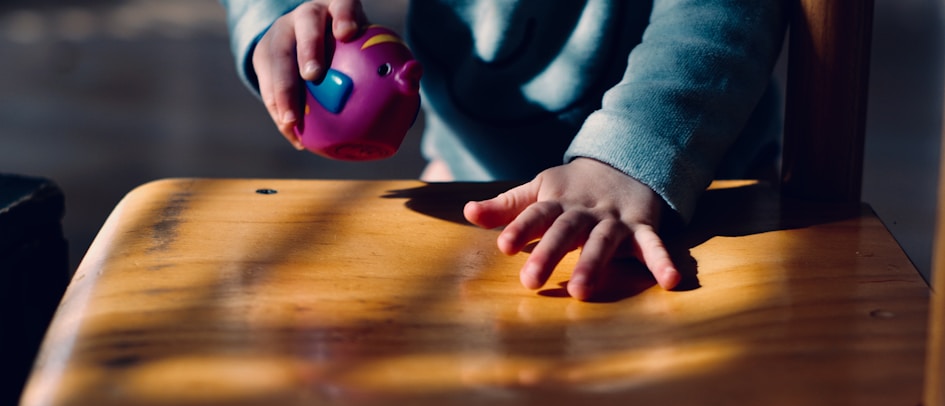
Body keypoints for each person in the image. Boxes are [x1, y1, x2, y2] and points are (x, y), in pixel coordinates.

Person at [220, 0, 786, 302]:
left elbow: (718, 14)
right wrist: (289, 15)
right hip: (473, 176)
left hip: (692, 185)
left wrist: (628, 155)